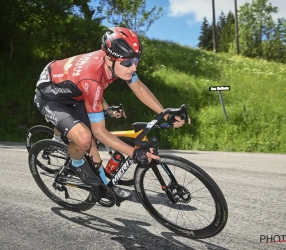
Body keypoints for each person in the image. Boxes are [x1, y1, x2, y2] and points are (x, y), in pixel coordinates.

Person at [34, 27, 190, 201]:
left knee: (91, 138)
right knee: (86, 139)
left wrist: (166, 114)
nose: (134, 66)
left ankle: (104, 185)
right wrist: (133, 153)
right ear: (109, 58)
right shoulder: (92, 78)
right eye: (128, 62)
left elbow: (138, 88)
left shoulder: (117, 63)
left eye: (136, 60)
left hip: (75, 91)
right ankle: (76, 164)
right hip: (50, 96)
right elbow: (100, 130)